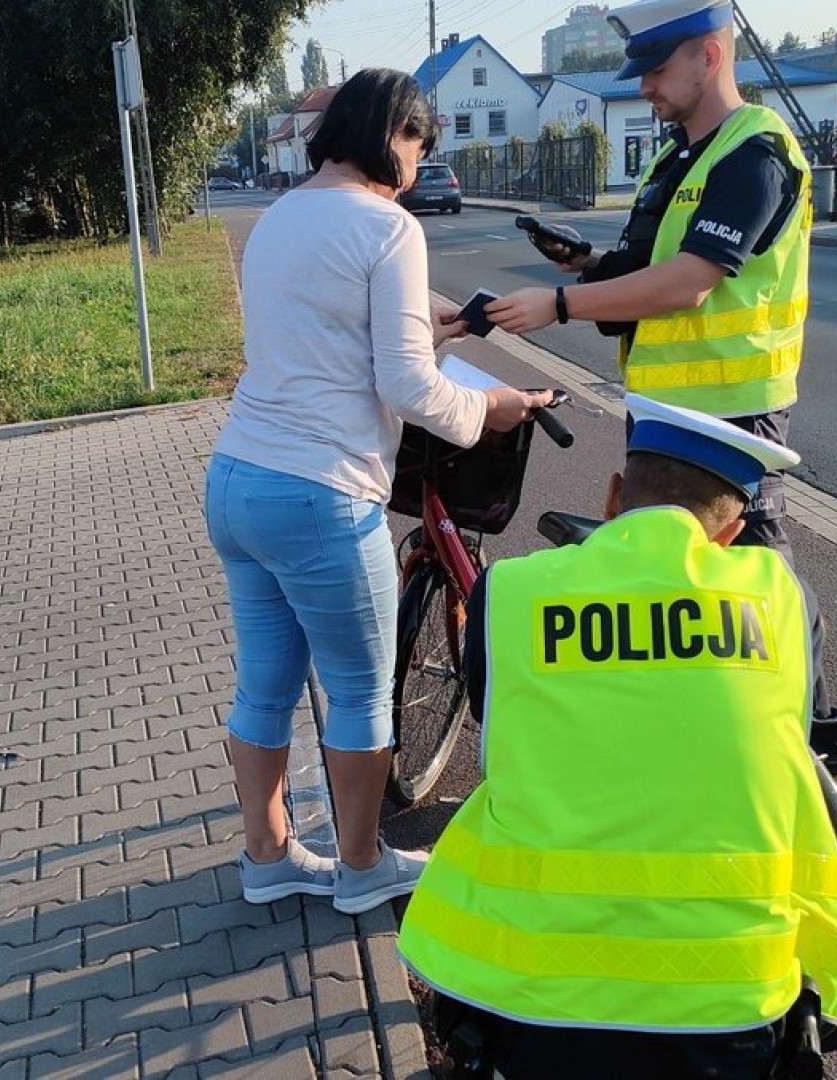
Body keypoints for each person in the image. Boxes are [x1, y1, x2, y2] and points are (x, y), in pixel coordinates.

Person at [396, 394, 837, 1079]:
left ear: (612, 498)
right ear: (729, 537)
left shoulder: (512, 592)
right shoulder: (783, 599)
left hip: (535, 994)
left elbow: (497, 716)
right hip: (732, 1001)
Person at [486, 0, 837, 800]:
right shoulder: (677, 159)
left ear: (710, 54)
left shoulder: (754, 154)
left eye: (656, 68)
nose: (645, 86)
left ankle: (820, 751)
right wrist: (586, 262)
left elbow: (689, 283)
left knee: (763, 572)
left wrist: (556, 304)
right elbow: (640, 269)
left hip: (734, 413)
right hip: (661, 408)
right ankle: (697, 727)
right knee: (673, 572)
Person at [204, 68, 552, 916]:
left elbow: (315, 336)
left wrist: (430, 327)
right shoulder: (387, 228)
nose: (417, 165)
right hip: (320, 495)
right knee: (359, 693)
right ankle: (360, 871)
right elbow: (407, 387)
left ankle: (269, 855)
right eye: (418, 145)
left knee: (264, 688)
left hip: (238, 479)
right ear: (392, 132)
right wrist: (492, 408)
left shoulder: (279, 215)